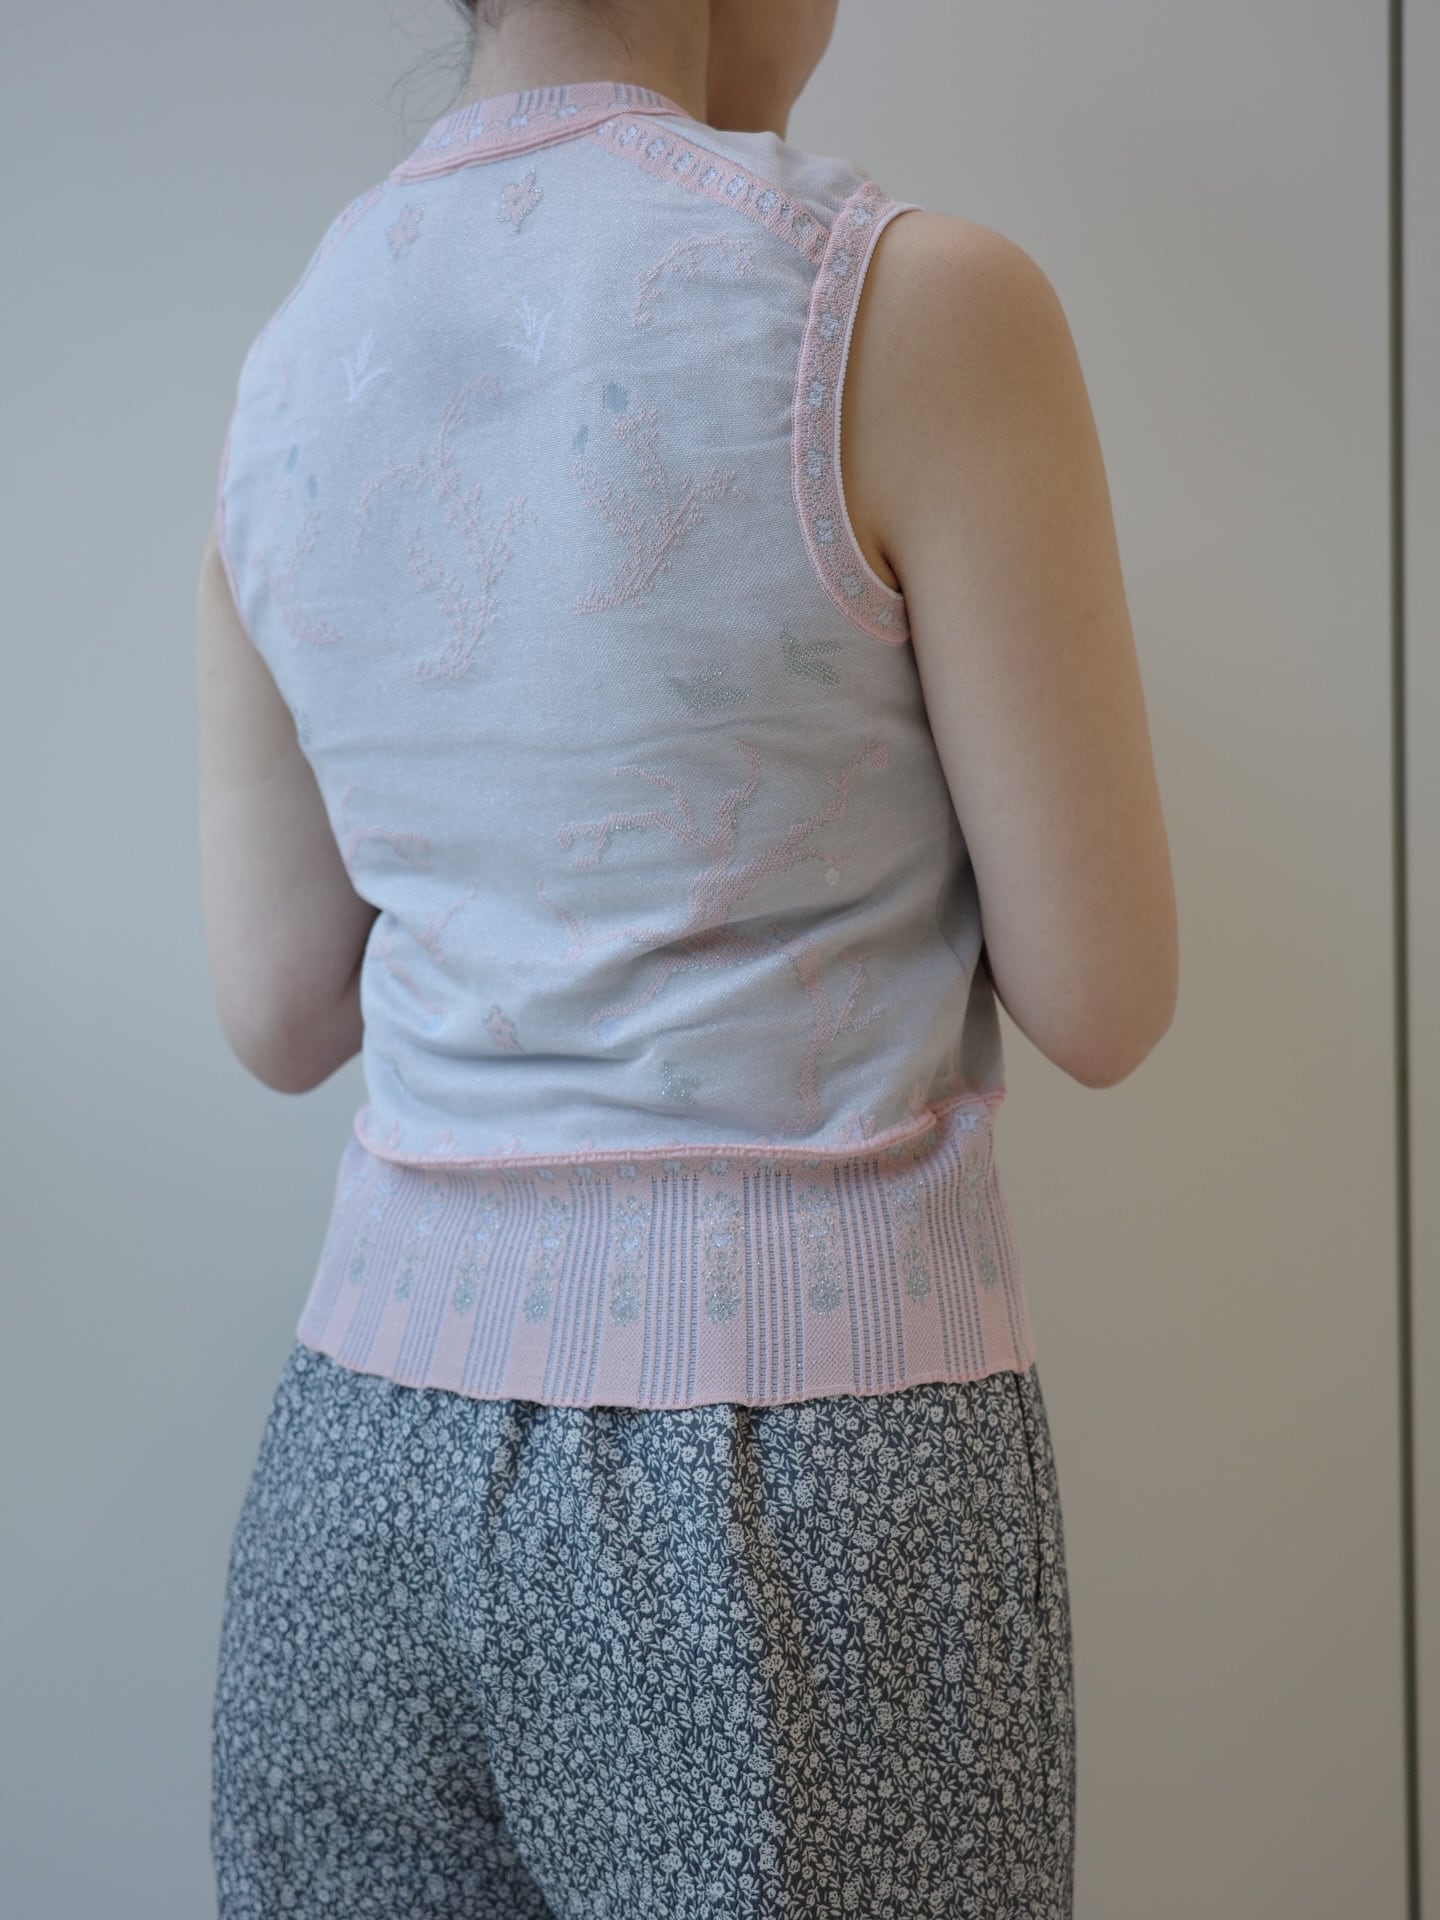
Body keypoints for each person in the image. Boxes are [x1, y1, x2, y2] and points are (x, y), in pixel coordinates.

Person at [197, 0, 1179, 1913]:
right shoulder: (906, 300)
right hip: (783, 1475)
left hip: (358, 1474)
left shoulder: (295, 354)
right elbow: (1103, 995)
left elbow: (279, 1008)